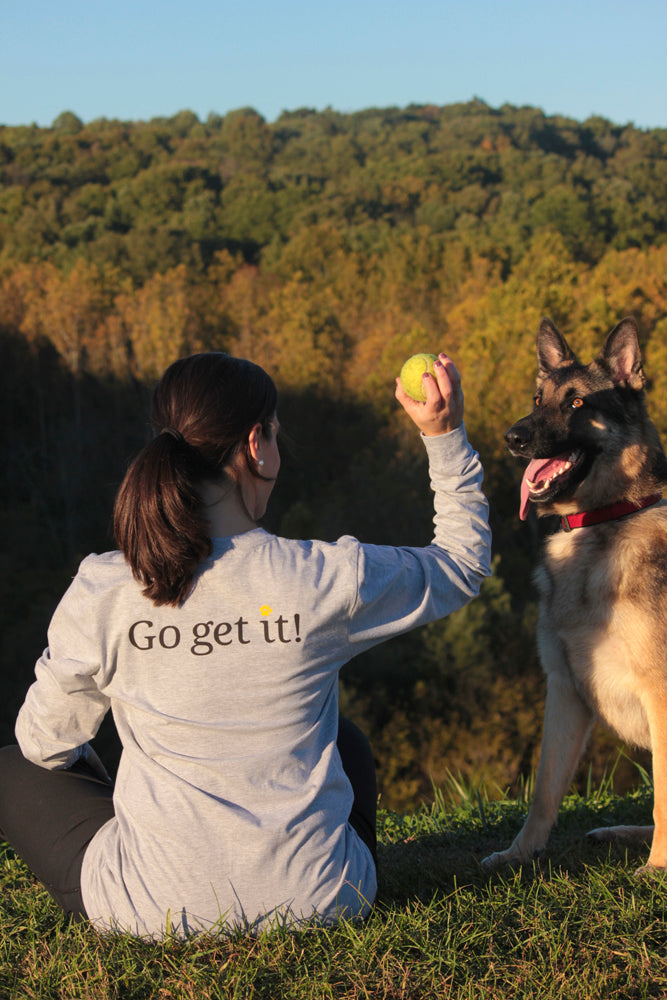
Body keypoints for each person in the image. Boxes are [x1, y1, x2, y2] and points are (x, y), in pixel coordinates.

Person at [0, 350, 490, 939]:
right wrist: (444, 434)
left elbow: (43, 743)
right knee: (347, 743)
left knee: (13, 768)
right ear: (256, 443)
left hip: (151, 910)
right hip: (327, 899)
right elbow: (462, 564)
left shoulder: (105, 588)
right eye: (276, 437)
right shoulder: (325, 578)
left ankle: (164, 863)